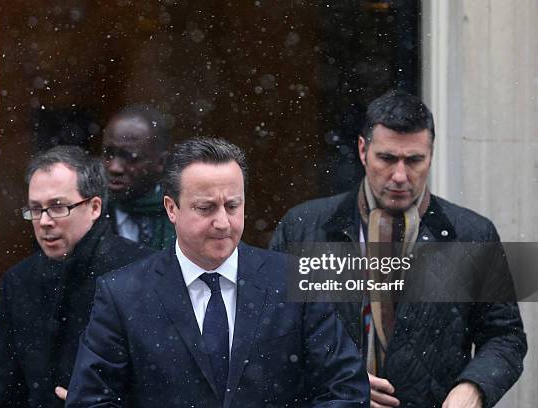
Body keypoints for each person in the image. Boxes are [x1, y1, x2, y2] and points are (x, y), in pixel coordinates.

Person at [66, 138, 370, 407]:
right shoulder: (123, 294)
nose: (223, 222)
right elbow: (92, 400)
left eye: (233, 206)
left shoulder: (294, 279)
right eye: (206, 207)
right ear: (172, 209)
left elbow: (344, 390)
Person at [270, 91, 527, 408]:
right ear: (363, 151)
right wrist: (339, 381)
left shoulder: (473, 234)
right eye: (387, 158)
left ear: (431, 155)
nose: (400, 176)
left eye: (414, 160)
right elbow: (271, 336)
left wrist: (473, 388)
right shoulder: (303, 228)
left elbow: (505, 337)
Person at [0, 146, 153, 408]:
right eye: (36, 209)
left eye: (58, 207)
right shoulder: (20, 280)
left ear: (94, 207)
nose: (44, 221)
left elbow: (167, 382)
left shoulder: (141, 271)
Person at [102, 104, 175, 249]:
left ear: (161, 162)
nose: (114, 167)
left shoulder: (181, 213)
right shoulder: (90, 214)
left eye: (129, 156)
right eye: (109, 154)